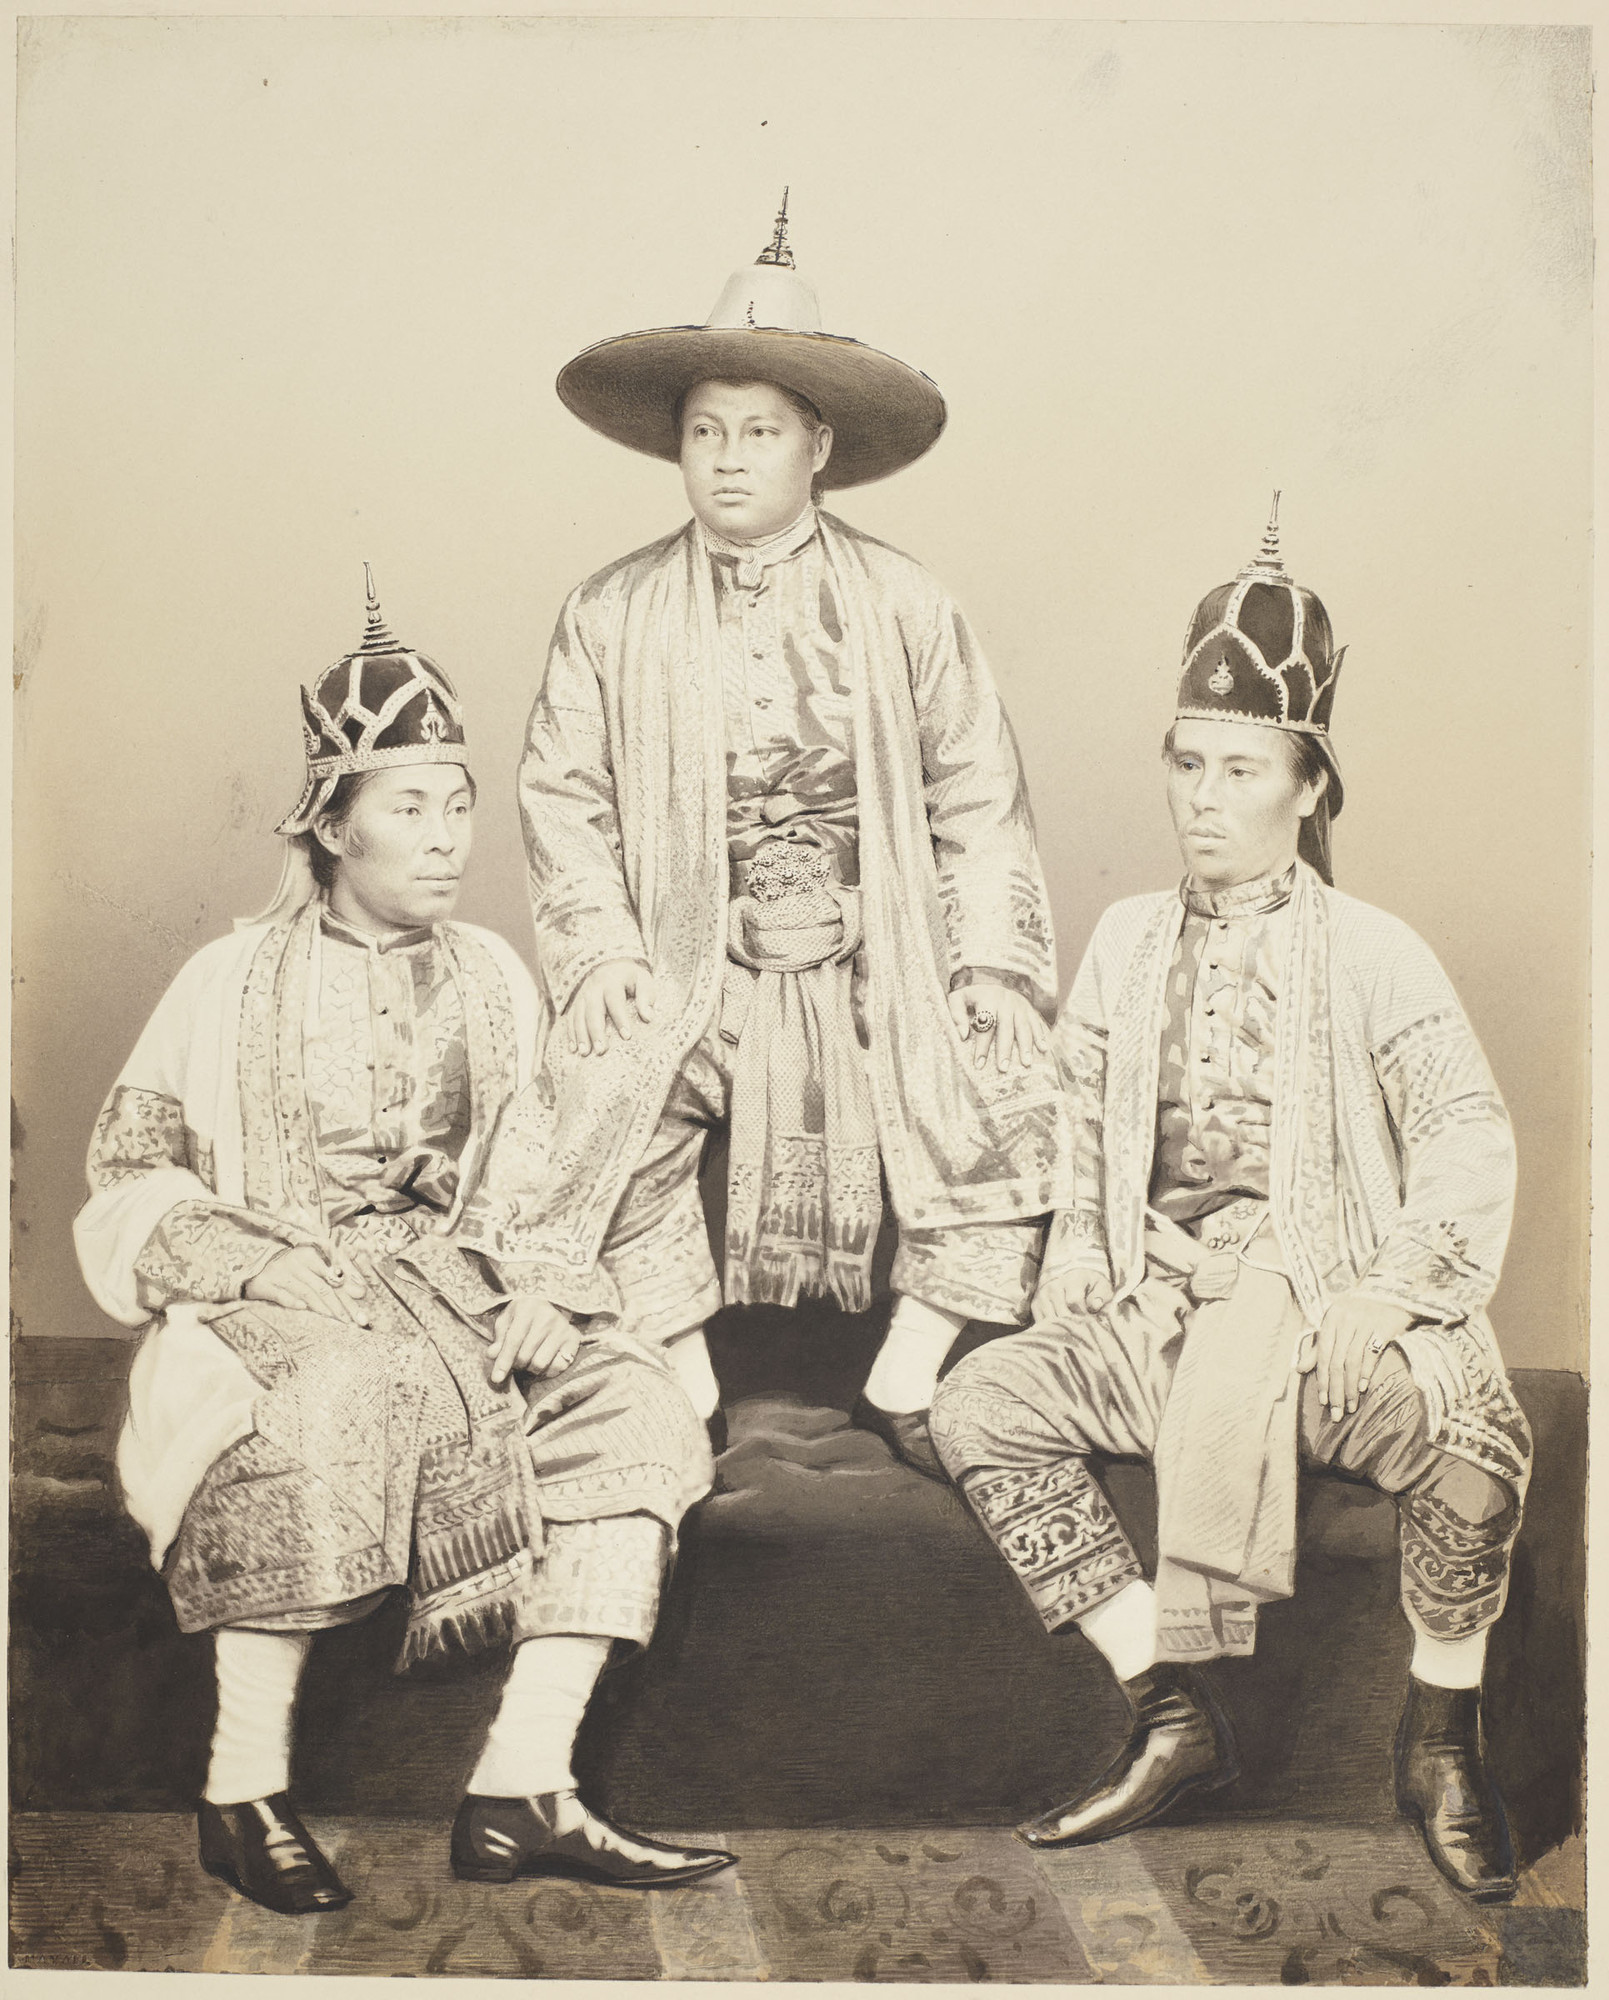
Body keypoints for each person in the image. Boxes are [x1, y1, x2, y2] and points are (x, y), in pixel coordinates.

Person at [74, 575, 732, 1916]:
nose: (445, 841)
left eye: (458, 806)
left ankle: (522, 1784)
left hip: (456, 1291)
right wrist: (250, 1262)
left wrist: (546, 1289)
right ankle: (241, 1790)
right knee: (335, 1389)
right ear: (333, 825)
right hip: (284, 1294)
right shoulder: (226, 980)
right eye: (410, 808)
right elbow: (129, 1172)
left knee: (633, 1402)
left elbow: (538, 1169)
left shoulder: (493, 973)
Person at [929, 501, 1531, 1902]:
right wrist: (1084, 1258)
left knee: (1475, 1447)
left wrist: (1387, 1292)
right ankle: (1169, 1707)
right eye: (1186, 763)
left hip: (1320, 1321)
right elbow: (1075, 1125)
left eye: (1241, 768)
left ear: (1308, 789)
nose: (1203, 797)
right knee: (979, 1406)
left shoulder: (1376, 951)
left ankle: (1441, 1744)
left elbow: (1463, 1130)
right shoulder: (1126, 941)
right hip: (1160, 1315)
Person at [455, 197, 1076, 1475]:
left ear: (818, 444)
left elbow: (977, 797)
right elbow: (564, 795)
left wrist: (991, 965)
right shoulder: (610, 610)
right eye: (704, 432)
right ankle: (686, 1387)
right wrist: (602, 951)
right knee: (596, 1094)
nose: (727, 460)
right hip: (700, 958)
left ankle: (907, 1373)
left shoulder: (904, 602)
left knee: (1009, 1082)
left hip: (874, 954)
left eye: (759, 432)